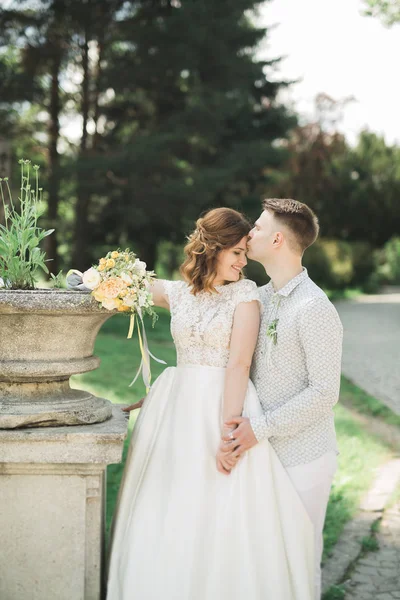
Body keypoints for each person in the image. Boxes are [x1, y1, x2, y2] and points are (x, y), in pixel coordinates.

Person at [106, 207, 314, 600]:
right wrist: (93, 278)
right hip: (175, 407)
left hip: (222, 404)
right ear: (211, 249)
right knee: (168, 496)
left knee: (221, 502)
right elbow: (128, 284)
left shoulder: (245, 296)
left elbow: (239, 364)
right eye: (236, 252)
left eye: (244, 253)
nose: (242, 262)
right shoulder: (178, 292)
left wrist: (229, 434)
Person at [219, 198, 343, 600]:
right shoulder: (259, 296)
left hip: (304, 457)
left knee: (298, 562)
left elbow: (325, 392)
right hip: (262, 456)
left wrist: (261, 428)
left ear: (276, 239)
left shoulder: (315, 307)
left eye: (256, 227)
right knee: (264, 564)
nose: (248, 233)